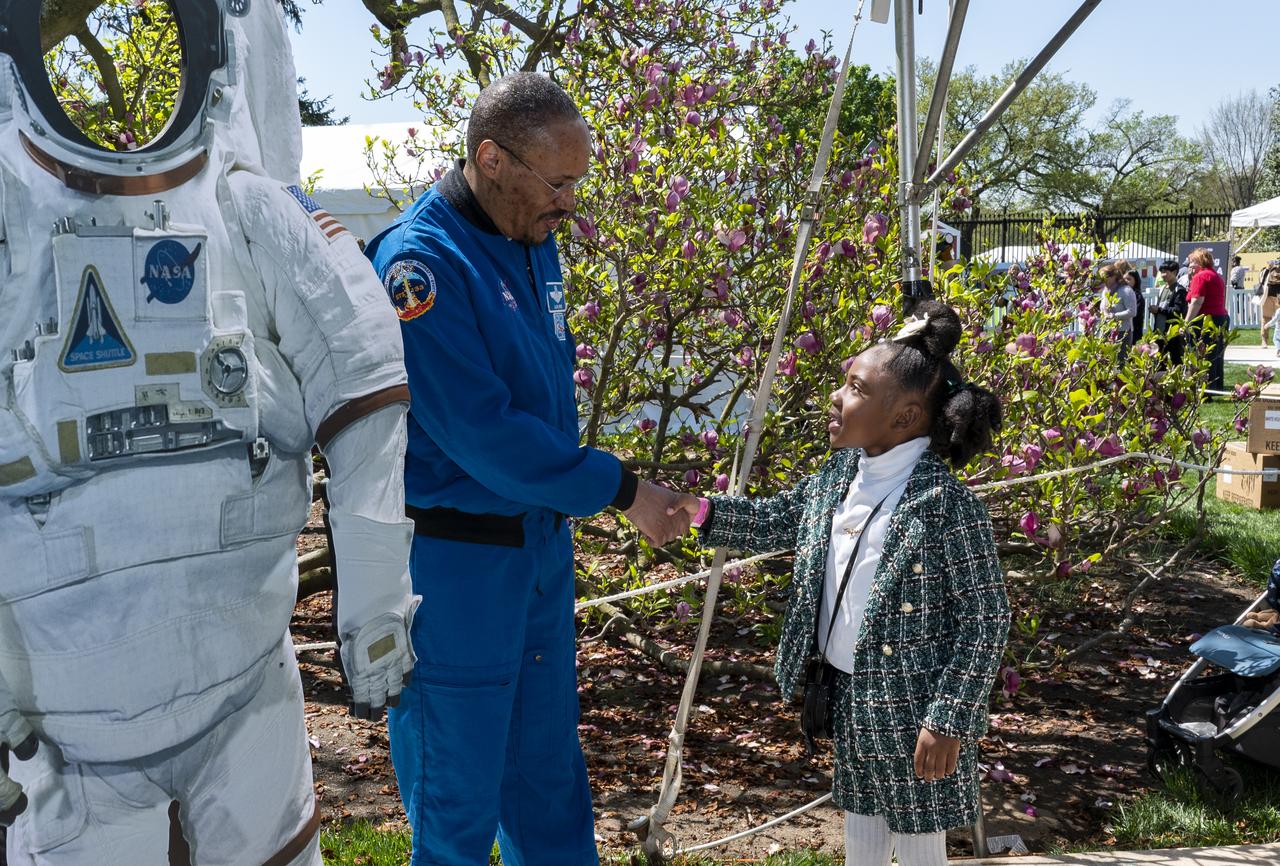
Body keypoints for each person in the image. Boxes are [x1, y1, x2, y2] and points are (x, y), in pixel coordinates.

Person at [0, 2, 417, 863]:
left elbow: (366, 382)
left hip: (247, 687)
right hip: (68, 726)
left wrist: (376, 618)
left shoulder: (246, 204)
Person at [363, 73, 689, 866]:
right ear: (492, 159)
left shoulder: (529, 238)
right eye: (558, 181)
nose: (569, 202)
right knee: (457, 813)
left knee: (550, 797)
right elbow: (484, 434)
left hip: (538, 559)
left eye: (578, 181)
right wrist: (622, 489)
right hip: (460, 571)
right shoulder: (420, 264)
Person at [670, 301, 1010, 866]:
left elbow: (986, 619)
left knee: (921, 843)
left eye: (855, 387)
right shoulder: (840, 475)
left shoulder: (945, 505)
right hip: (850, 695)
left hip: (915, 713)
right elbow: (779, 519)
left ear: (903, 418)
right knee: (863, 829)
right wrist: (699, 511)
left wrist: (948, 718)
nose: (836, 396)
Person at [1185, 247, 1231, 394]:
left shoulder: (1201, 276)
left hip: (1206, 319)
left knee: (1202, 353)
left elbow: (1197, 302)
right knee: (1215, 354)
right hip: (1220, 318)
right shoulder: (1215, 275)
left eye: (1192, 262)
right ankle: (1214, 387)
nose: (1189, 265)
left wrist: (1186, 322)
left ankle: (1203, 388)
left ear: (1199, 263)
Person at [1150, 258, 1188, 366]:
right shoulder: (1162, 288)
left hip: (1172, 332)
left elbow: (1178, 310)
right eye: (1161, 272)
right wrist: (1155, 311)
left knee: (1175, 359)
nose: (1163, 275)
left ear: (1174, 272)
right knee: (1160, 360)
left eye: (1166, 272)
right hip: (1159, 331)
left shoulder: (1179, 290)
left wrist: (1159, 310)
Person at [1099, 264, 1137, 352]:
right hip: (1106, 330)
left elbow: (1132, 312)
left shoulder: (1126, 291)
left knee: (1120, 361)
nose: (1103, 280)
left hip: (1122, 332)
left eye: (1105, 277)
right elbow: (1104, 310)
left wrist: (1113, 316)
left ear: (1114, 276)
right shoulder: (1105, 291)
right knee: (1104, 360)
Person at [1256, 259, 1280, 346]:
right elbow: (1261, 280)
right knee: (1266, 318)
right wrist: (1268, 269)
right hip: (1268, 296)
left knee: (1267, 318)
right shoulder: (1266, 270)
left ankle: (1267, 341)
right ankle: (1264, 340)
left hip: (1277, 297)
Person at [1123, 268, 1147, 343]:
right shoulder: (1124, 293)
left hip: (1134, 329)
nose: (1126, 281)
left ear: (1135, 280)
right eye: (1125, 279)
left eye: (1129, 279)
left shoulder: (1137, 295)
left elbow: (1135, 314)